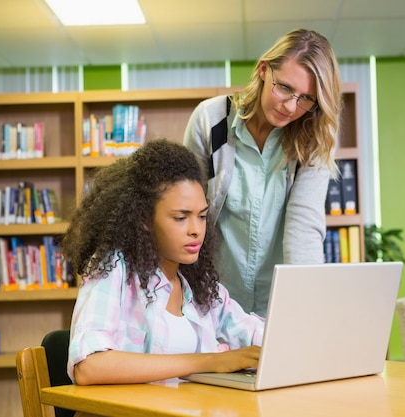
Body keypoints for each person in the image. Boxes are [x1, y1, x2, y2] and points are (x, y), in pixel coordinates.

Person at [62, 139, 264, 385]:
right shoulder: (114, 268)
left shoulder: (199, 285)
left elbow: (253, 332)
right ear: (144, 219)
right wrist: (209, 361)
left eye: (201, 216)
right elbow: (89, 367)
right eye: (181, 218)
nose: (196, 230)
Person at [184, 29, 342, 316]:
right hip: (213, 304)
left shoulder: (314, 137)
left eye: (307, 98)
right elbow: (185, 213)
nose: (292, 107)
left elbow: (304, 228)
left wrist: (305, 310)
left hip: (280, 306)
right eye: (285, 88)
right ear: (263, 70)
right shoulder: (210, 120)